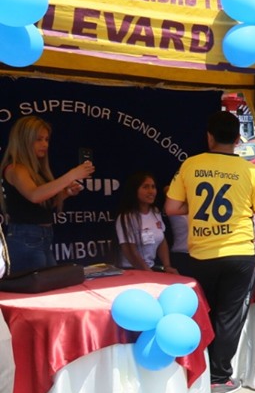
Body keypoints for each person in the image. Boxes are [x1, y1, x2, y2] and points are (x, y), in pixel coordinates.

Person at [165, 112, 255, 393]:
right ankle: (219, 378)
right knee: (229, 316)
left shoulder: (191, 165)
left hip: (200, 255)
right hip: (239, 254)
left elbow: (172, 208)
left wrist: (196, 207)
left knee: (204, 313)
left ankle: (196, 371)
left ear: (208, 137)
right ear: (238, 140)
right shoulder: (251, 171)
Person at [0, 115, 94, 274]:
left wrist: (65, 193)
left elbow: (42, 205)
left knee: (51, 287)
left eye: (46, 139)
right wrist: (70, 175)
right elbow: (35, 195)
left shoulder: (37, 170)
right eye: (38, 139)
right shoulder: (15, 168)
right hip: (25, 239)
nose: (44, 144)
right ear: (24, 140)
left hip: (44, 237)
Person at [116, 172, 176, 273]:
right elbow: (130, 251)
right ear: (135, 190)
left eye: (153, 187)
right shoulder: (126, 217)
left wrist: (167, 266)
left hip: (150, 269)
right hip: (132, 271)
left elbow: (162, 240)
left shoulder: (155, 212)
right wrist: (148, 273)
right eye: (145, 187)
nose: (151, 191)